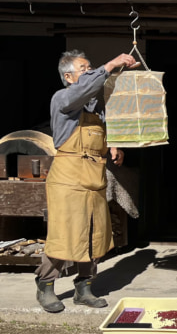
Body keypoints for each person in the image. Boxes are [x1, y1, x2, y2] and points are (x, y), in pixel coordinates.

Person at [34, 50, 140, 313]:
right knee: (65, 233)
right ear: (69, 77)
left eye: (91, 68)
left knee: (95, 234)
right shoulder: (64, 98)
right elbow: (88, 88)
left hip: (94, 175)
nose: (91, 72)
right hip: (68, 176)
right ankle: (45, 285)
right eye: (85, 69)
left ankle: (84, 288)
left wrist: (112, 144)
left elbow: (101, 129)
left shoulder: (93, 106)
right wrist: (111, 65)